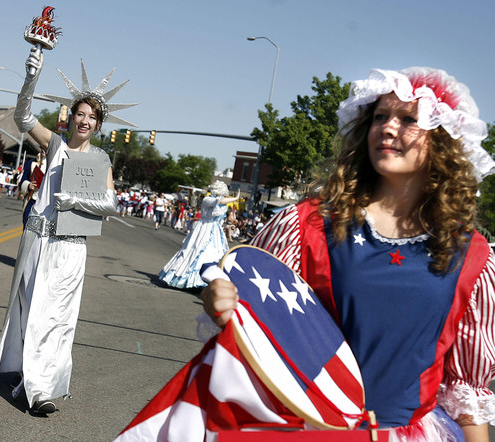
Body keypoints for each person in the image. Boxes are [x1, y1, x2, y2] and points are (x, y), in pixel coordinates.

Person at [201, 67, 495, 440]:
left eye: (409, 119)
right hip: (307, 428)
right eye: (379, 117)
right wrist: (222, 301)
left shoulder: (470, 255)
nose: (388, 128)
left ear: (443, 139)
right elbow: (256, 324)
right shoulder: (308, 223)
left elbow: (465, 391)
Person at [0, 45, 129, 415]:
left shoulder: (101, 160)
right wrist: (31, 74)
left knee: (58, 318)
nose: (84, 121)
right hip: (38, 240)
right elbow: (22, 116)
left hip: (71, 247)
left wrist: (73, 201)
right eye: (80, 114)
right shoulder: (54, 145)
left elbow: (112, 205)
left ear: (99, 125)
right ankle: (26, 375)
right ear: (71, 117)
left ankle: (41, 389)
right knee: (30, 310)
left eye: (91, 118)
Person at [159, 181, 240, 289]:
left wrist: (227, 226)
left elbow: (218, 220)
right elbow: (220, 201)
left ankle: (208, 279)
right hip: (204, 228)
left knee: (214, 254)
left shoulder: (219, 203)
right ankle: (189, 280)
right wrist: (235, 198)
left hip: (215, 230)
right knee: (197, 251)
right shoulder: (208, 199)